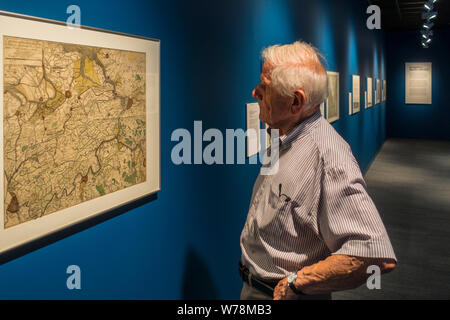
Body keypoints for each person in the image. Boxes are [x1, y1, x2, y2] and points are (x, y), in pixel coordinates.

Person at [239, 41, 397, 300]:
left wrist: (297, 283)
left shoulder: (328, 157)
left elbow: (374, 255)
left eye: (264, 88)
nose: (255, 92)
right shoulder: (285, 137)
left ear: (295, 102)